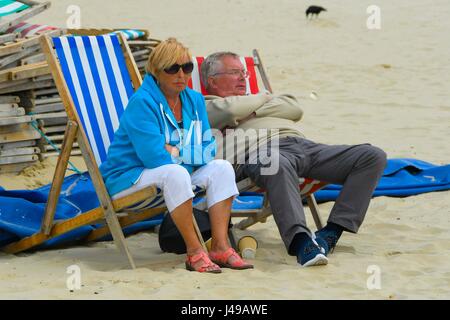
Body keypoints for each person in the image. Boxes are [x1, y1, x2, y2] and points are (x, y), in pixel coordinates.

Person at [201, 51, 387, 267]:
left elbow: (294, 107)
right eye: (235, 72)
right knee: (276, 163)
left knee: (371, 156)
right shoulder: (205, 104)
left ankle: (331, 233)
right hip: (256, 153)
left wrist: (250, 110)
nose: (244, 77)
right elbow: (230, 109)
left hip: (302, 146)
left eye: (244, 72)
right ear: (212, 81)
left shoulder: (250, 101)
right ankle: (300, 242)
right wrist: (266, 98)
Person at [100, 40, 253, 273]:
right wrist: (184, 154)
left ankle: (220, 247)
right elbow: (153, 158)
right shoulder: (142, 103)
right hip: (128, 176)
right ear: (157, 71)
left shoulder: (193, 99)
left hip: (173, 172)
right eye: (173, 68)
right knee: (175, 172)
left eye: (187, 67)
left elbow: (209, 149)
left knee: (222, 167)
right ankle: (194, 252)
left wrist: (174, 150)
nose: (181, 74)